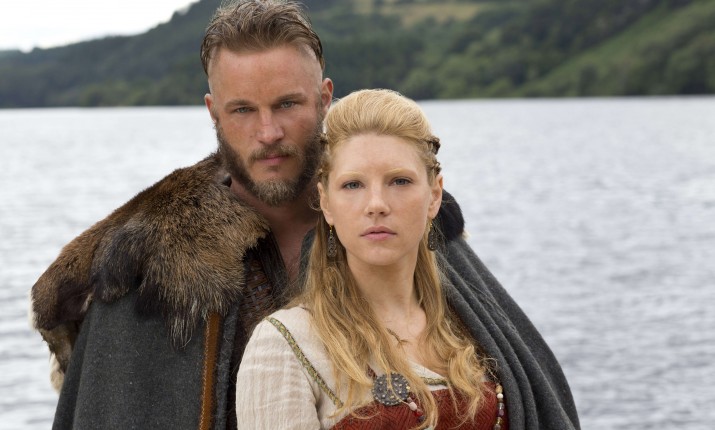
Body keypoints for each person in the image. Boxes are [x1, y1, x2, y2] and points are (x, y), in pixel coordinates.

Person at [29, 1, 579, 429]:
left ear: (324, 97)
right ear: (213, 111)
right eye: (243, 110)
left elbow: (523, 383)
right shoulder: (147, 264)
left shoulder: (403, 222)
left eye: (287, 104)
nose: (268, 132)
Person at [233, 89, 574, 430]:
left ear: (434, 195)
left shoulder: (474, 327)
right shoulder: (285, 345)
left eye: (399, 181)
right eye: (353, 185)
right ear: (326, 202)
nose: (377, 204)